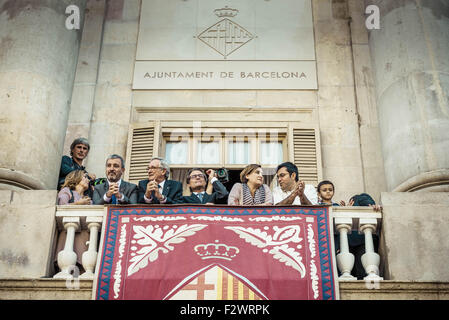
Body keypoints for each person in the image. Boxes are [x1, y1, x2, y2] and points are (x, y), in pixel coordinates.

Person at [55, 169, 92, 273]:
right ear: (77, 178)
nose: (87, 180)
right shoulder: (67, 191)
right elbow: (61, 206)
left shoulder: (87, 199)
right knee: (65, 264)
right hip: (68, 233)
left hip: (83, 236)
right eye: (85, 177)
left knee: (80, 267)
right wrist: (78, 204)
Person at [339, 192, 381, 279]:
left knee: (362, 268)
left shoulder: (360, 197)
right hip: (351, 243)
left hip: (363, 241)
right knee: (352, 268)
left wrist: (373, 206)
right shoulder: (348, 207)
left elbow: (369, 204)